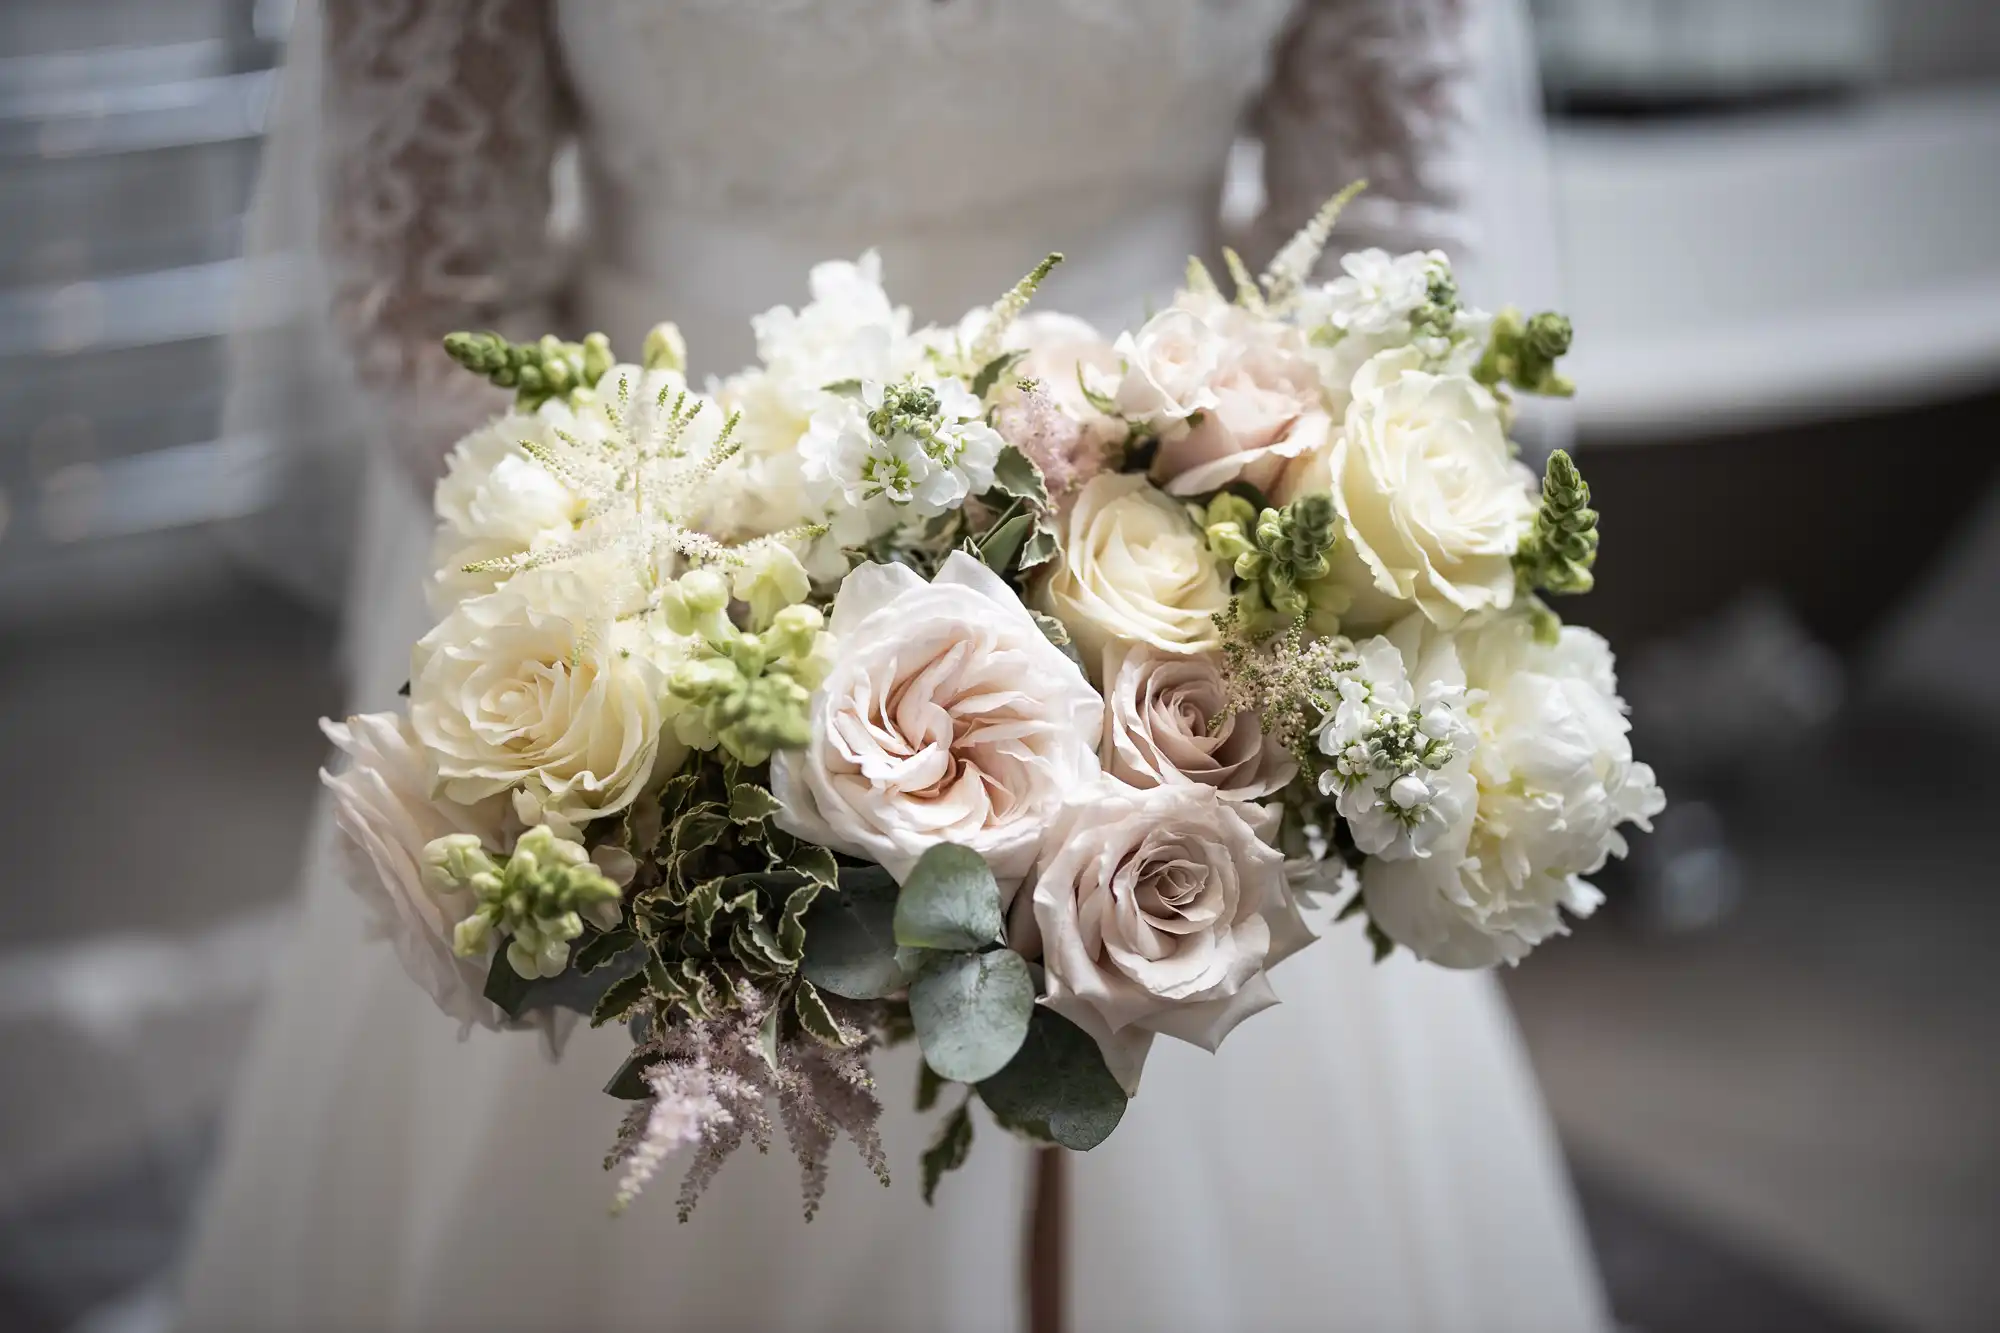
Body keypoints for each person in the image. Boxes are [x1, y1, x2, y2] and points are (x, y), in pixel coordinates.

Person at [178, 2, 1603, 1328]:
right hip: (652, 620)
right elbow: (428, 290)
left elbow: (1381, 255)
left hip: (1182, 636)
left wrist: (1179, 605)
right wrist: (675, 676)